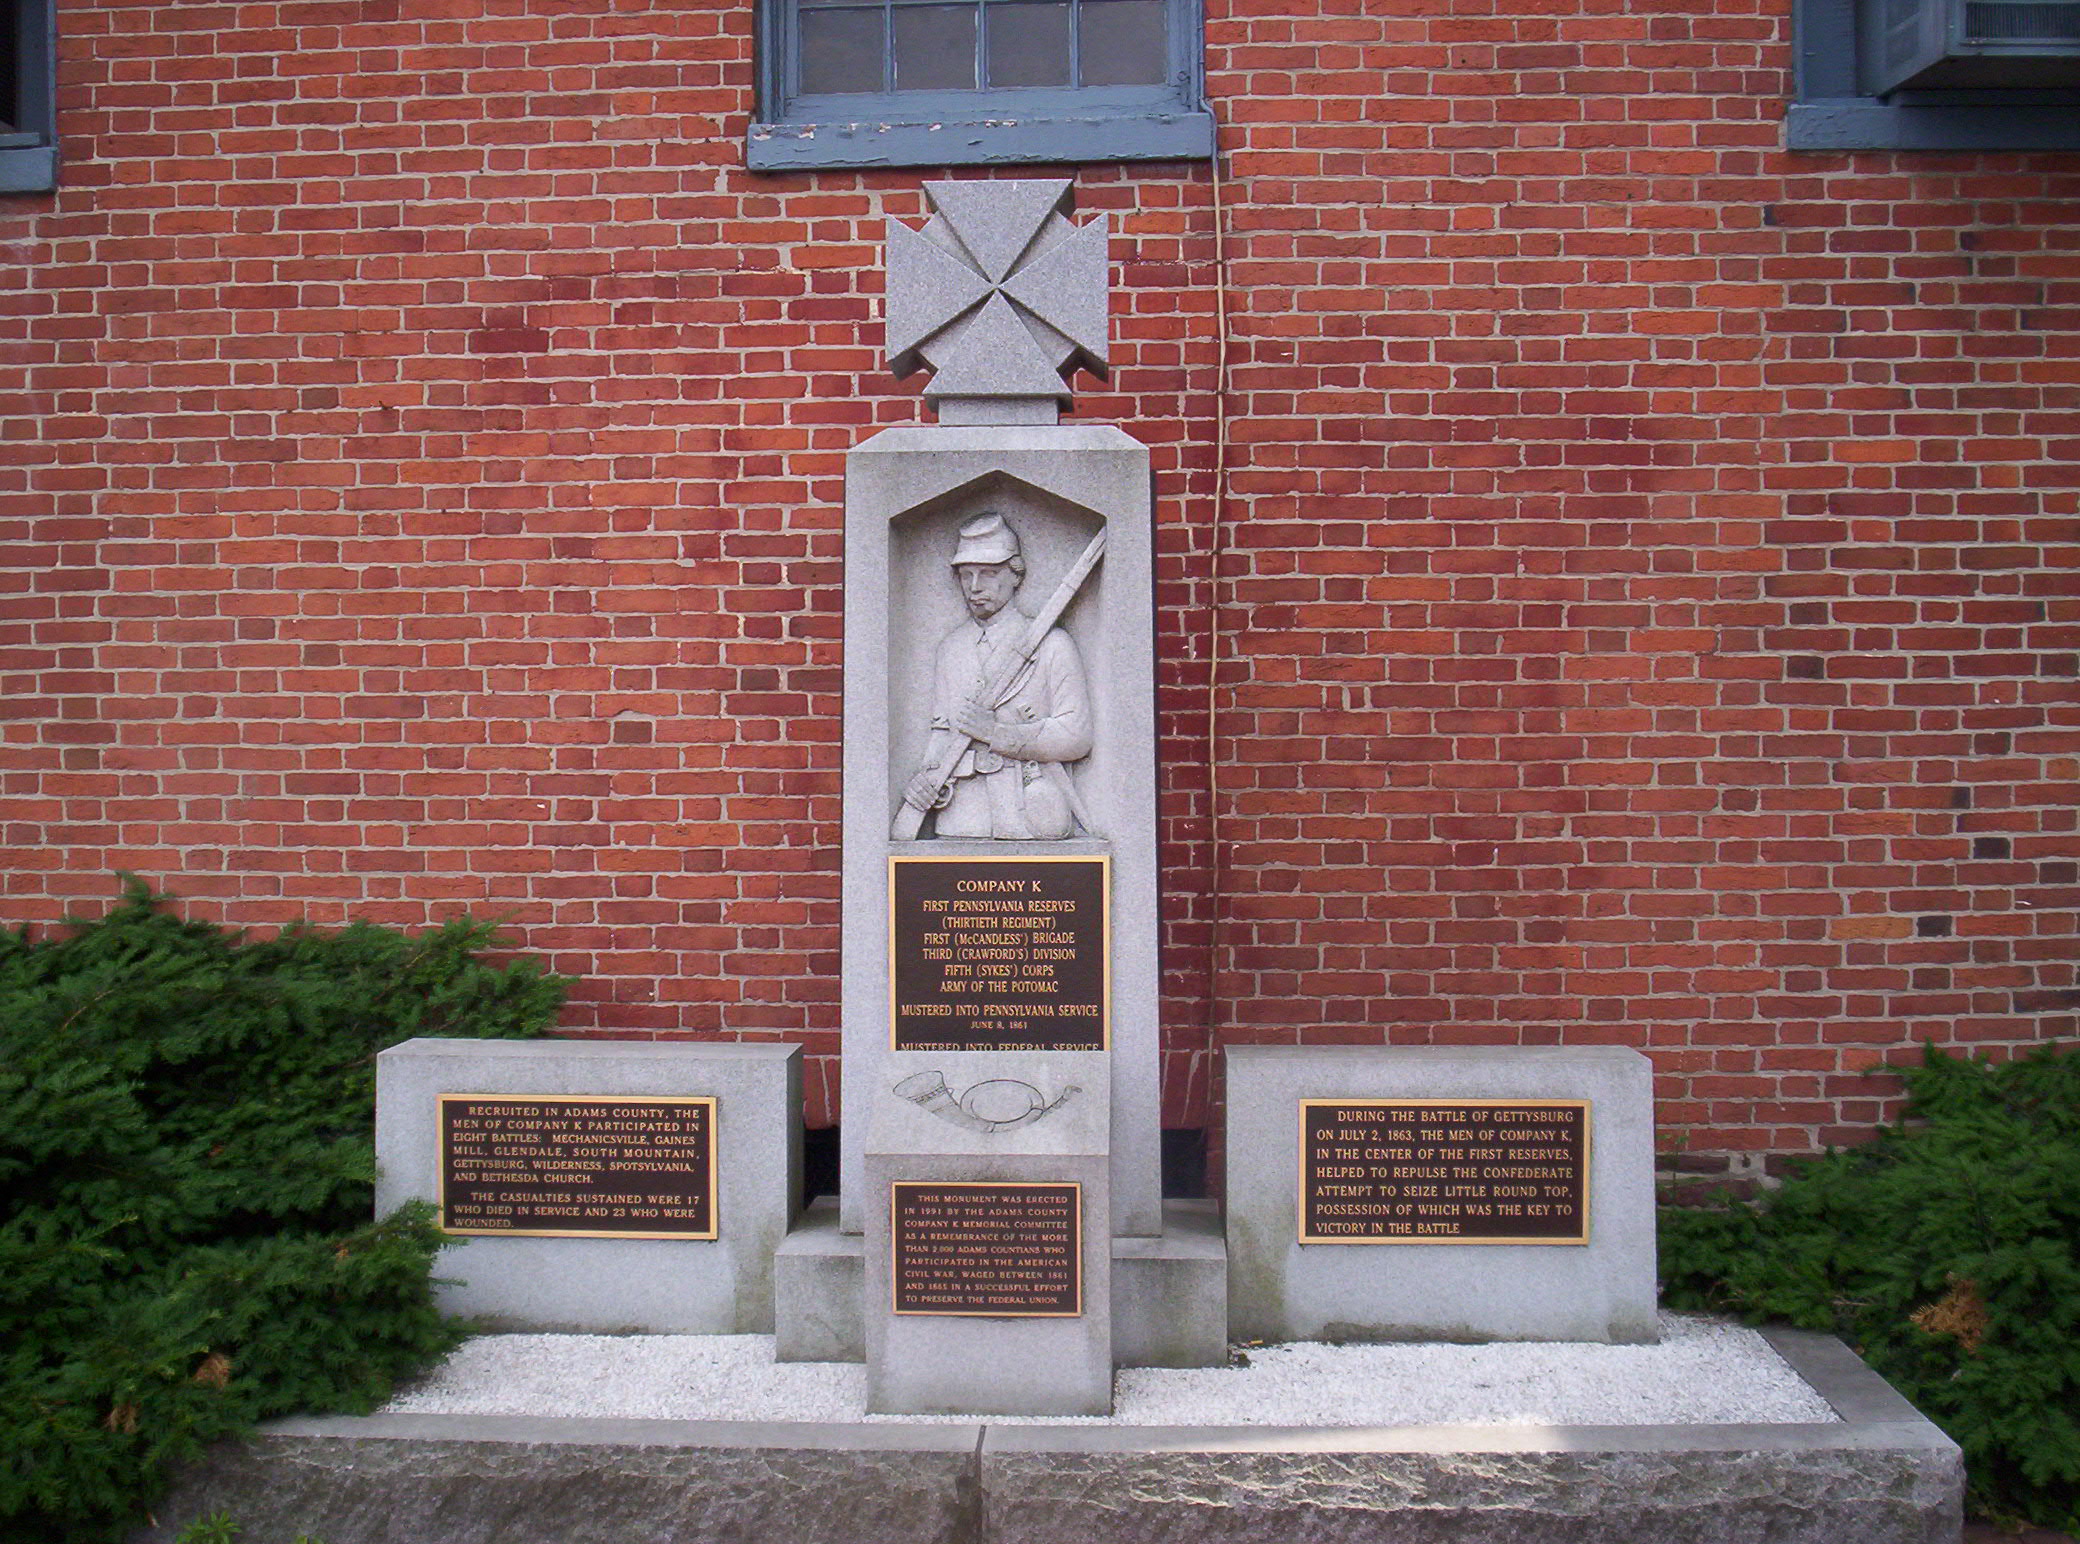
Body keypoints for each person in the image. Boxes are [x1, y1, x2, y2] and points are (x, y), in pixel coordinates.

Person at [899, 512, 1093, 840]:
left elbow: (1077, 735)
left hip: (1029, 815)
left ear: (1016, 575)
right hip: (961, 820)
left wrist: (997, 734)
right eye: (966, 575)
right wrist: (927, 779)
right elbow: (942, 732)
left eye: (988, 574)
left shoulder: (1052, 645)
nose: (975, 587)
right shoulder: (951, 649)